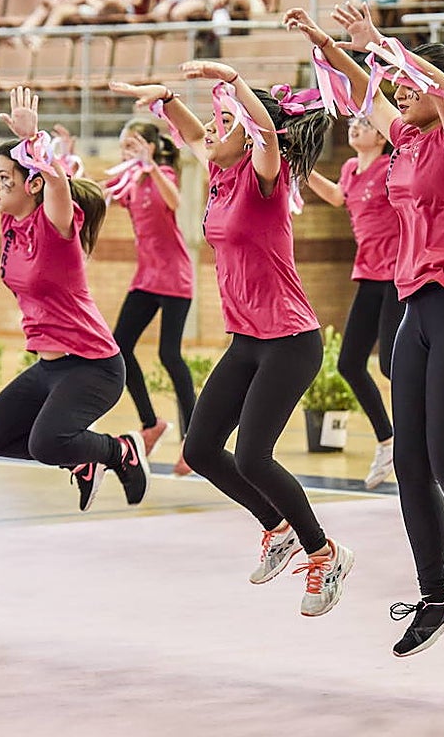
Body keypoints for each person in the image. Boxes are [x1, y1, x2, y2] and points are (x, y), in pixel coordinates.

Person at [285, 2, 444, 659]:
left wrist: (384, 44)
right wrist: (329, 45)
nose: (394, 91)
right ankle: (436, 595)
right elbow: (368, 92)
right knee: (411, 463)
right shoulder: (410, 140)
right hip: (418, 303)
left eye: (405, 82)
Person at [109, 60, 355, 618]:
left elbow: (266, 132)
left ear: (248, 127)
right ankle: (277, 528)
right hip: (246, 339)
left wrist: (232, 81)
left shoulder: (265, 174)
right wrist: (167, 97)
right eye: (216, 120)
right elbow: (193, 135)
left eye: (226, 121)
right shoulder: (220, 172)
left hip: (290, 339)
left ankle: (325, 552)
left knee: (253, 457)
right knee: (199, 449)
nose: (212, 128)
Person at [0, 67, 151, 513]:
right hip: (48, 369)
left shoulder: (57, 225)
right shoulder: (10, 217)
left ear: (33, 184)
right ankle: (81, 461)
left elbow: (59, 185)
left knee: (47, 443)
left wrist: (35, 142)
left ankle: (118, 451)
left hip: (93, 367)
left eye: (7, 179)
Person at [305, 117, 402, 489]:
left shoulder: (390, 167)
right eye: (355, 122)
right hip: (368, 275)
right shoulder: (349, 168)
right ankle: (388, 439)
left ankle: (420, 439)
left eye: (366, 123)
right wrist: (301, 168)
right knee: (350, 363)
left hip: (397, 274)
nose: (356, 127)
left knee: (393, 365)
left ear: (382, 134)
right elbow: (336, 196)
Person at [104, 119, 197, 466]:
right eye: (124, 144)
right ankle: (151, 423)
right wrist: (61, 164)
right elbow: (98, 192)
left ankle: (193, 440)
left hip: (175, 278)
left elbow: (175, 202)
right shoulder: (129, 183)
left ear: (152, 147)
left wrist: (151, 167)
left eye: (134, 144)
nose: (127, 150)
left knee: (169, 355)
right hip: (145, 278)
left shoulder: (165, 176)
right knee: (120, 347)